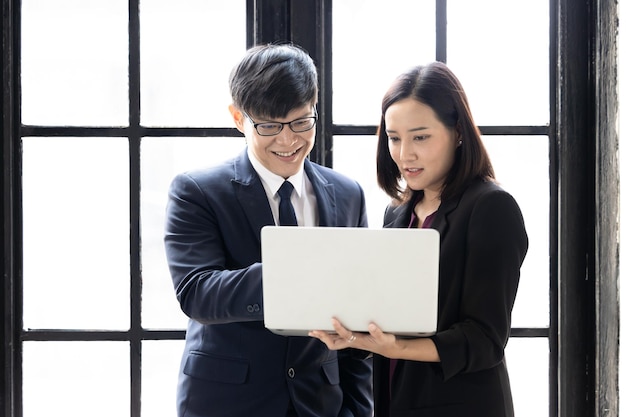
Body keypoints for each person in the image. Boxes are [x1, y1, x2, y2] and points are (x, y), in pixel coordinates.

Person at [163, 43, 373, 417]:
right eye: (269, 126)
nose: (288, 140)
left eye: (301, 122)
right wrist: (296, 270)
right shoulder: (197, 191)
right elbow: (197, 293)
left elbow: (357, 317)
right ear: (238, 118)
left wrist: (359, 410)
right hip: (227, 402)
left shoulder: (348, 194)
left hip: (321, 404)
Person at [309, 62, 528, 417]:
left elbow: (485, 340)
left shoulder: (491, 208)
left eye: (420, 137)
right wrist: (354, 336)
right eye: (394, 138)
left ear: (458, 132)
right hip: (397, 401)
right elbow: (392, 316)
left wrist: (396, 348)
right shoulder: (397, 213)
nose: (404, 154)